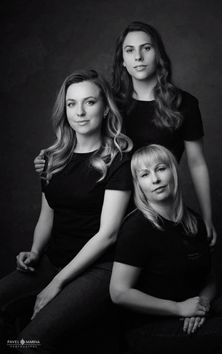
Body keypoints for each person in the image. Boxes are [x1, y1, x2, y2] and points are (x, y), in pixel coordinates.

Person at [34, 21, 216, 246]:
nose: (138, 57)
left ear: (158, 54)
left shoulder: (185, 104)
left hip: (158, 204)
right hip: (111, 207)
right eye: (129, 50)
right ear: (122, 59)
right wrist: (50, 158)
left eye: (146, 48)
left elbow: (197, 164)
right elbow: (81, 139)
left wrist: (208, 218)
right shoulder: (111, 103)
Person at [0, 69, 133, 354]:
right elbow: (47, 216)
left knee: (28, 344)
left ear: (106, 108)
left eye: (90, 102)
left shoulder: (118, 160)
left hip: (100, 268)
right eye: (72, 104)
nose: (80, 112)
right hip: (53, 261)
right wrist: (35, 252)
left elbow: (108, 235)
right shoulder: (52, 158)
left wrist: (56, 284)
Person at [110, 144, 222, 354]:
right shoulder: (136, 228)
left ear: (174, 171)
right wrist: (179, 308)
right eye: (144, 174)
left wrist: (200, 306)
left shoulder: (194, 222)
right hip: (149, 328)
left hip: (193, 315)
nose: (155, 179)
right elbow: (119, 293)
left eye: (160, 169)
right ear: (138, 184)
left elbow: (210, 278)